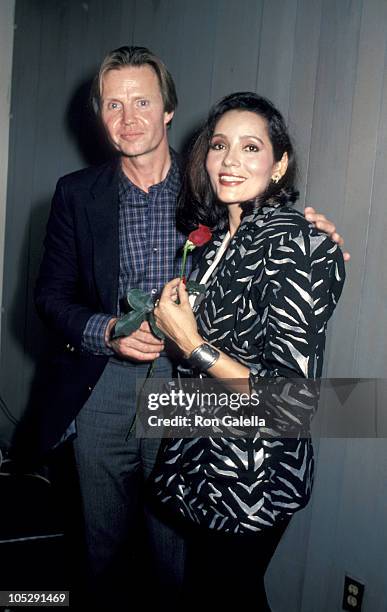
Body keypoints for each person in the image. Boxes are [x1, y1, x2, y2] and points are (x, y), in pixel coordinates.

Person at [18, 45, 346, 608]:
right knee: (103, 546)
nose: (129, 118)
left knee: (182, 553)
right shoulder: (78, 193)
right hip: (106, 385)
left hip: (193, 391)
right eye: (113, 105)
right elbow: (50, 298)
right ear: (99, 115)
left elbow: (274, 234)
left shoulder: (209, 191)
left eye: (142, 101)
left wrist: (314, 228)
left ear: (168, 109)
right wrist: (107, 332)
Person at [152, 91, 345, 609]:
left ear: (279, 164)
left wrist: (190, 342)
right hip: (205, 462)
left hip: (250, 479)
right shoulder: (220, 241)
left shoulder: (296, 242)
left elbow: (290, 403)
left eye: (251, 147)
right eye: (219, 145)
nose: (230, 160)